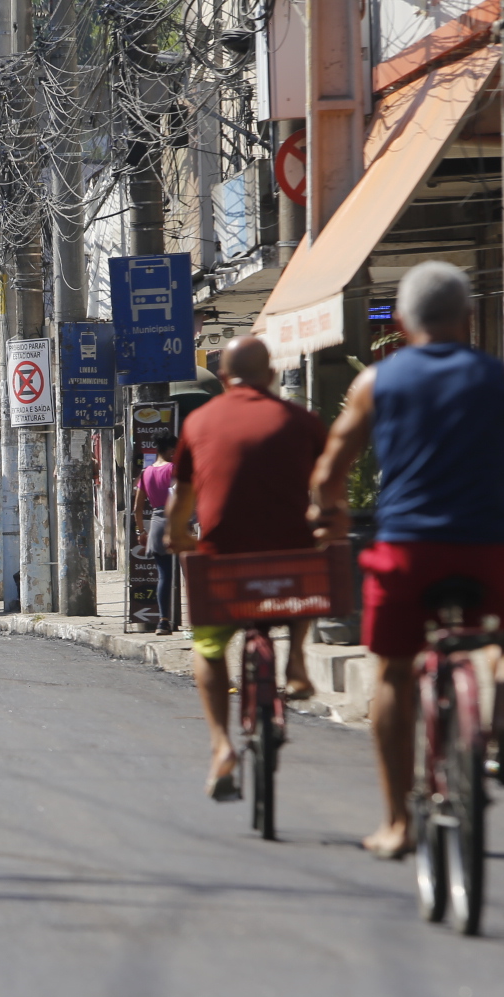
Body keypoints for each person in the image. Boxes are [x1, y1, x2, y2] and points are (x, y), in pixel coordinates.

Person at [311, 260, 504, 859]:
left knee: (391, 672)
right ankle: (500, 723)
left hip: (407, 554)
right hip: (488, 550)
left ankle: (397, 822)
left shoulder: (375, 384)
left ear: (405, 325)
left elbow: (330, 471)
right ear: (468, 319)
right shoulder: (499, 378)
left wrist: (330, 516)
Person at [165, 336, 325, 801]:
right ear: (271, 375)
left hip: (224, 561)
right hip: (290, 559)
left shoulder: (200, 421)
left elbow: (183, 499)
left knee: (209, 647)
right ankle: (295, 660)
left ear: (224, 377)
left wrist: (179, 538)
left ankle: (221, 748)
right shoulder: (301, 420)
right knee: (306, 569)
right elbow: (327, 482)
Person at [133, 451, 176, 636]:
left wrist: (141, 531)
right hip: (178, 522)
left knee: (164, 576)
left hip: (157, 525)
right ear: (171, 450)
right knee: (191, 576)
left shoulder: (146, 472)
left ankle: (163, 622)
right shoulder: (175, 468)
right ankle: (197, 623)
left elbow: (137, 508)